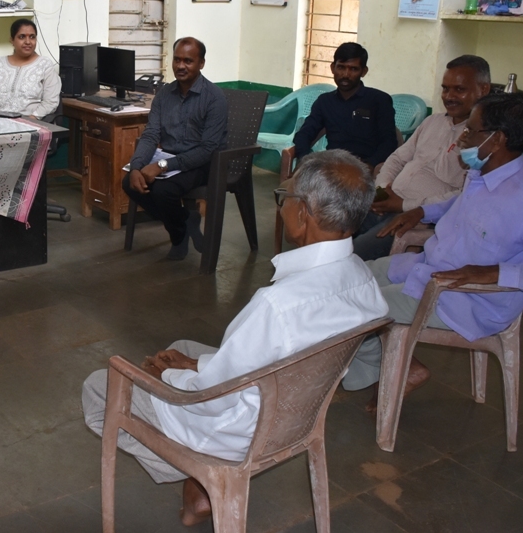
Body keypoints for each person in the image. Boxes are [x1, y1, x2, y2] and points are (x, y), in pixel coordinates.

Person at [84, 150, 388, 526]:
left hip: (237, 431)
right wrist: (192, 364)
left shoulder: (277, 305)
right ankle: (200, 487)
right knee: (182, 349)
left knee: (100, 387)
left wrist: (171, 377)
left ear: (304, 213)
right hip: (298, 415)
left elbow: (214, 397)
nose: (281, 206)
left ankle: (203, 472)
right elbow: (260, 359)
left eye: (284, 198)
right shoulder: (364, 281)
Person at [344, 92, 523, 404]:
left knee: (352, 308)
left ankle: (398, 367)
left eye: (472, 130)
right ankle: (380, 362)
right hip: (428, 269)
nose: (463, 137)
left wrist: (496, 273)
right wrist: (421, 211)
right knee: (347, 277)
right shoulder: (483, 175)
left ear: (497, 139)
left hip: (464, 300)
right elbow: (460, 203)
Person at [353, 55, 491, 261]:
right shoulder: (432, 122)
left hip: (416, 218)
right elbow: (397, 159)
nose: (449, 96)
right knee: (327, 231)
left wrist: (404, 205)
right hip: (385, 202)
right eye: (445, 89)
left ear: (483, 90)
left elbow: (465, 194)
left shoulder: (484, 138)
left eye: (459, 89)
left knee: (353, 253)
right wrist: (382, 191)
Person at [122, 37, 227, 260]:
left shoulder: (214, 98)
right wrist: (136, 166)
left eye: (188, 61)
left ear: (201, 63)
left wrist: (162, 166)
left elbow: (208, 148)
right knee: (130, 182)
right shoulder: (164, 95)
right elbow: (151, 134)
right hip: (170, 158)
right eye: (177, 60)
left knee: (163, 191)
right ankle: (185, 221)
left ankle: (178, 237)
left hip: (202, 163)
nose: (181, 66)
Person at [293, 42, 399, 169]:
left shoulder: (379, 100)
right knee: (290, 182)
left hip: (367, 168)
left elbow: (389, 142)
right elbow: (304, 135)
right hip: (332, 168)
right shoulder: (324, 102)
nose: (346, 75)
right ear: (333, 68)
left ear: (364, 72)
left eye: (353, 69)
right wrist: (307, 161)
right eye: (341, 67)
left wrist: (370, 165)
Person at [0, 19, 60, 119]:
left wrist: (32, 119)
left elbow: (50, 102)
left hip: (30, 123)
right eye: (22, 37)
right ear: (12, 40)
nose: (28, 42)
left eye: (32, 37)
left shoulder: (45, 65)